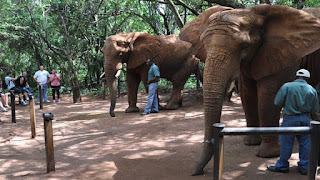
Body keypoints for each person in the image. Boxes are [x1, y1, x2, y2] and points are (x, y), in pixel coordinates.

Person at [267, 69, 319, 175]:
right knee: (305, 143)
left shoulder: (287, 86)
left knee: (286, 143)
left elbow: (277, 102)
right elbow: (315, 108)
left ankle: (282, 165)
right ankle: (304, 167)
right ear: (307, 78)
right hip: (305, 119)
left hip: (289, 118)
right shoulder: (312, 90)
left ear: (296, 76)